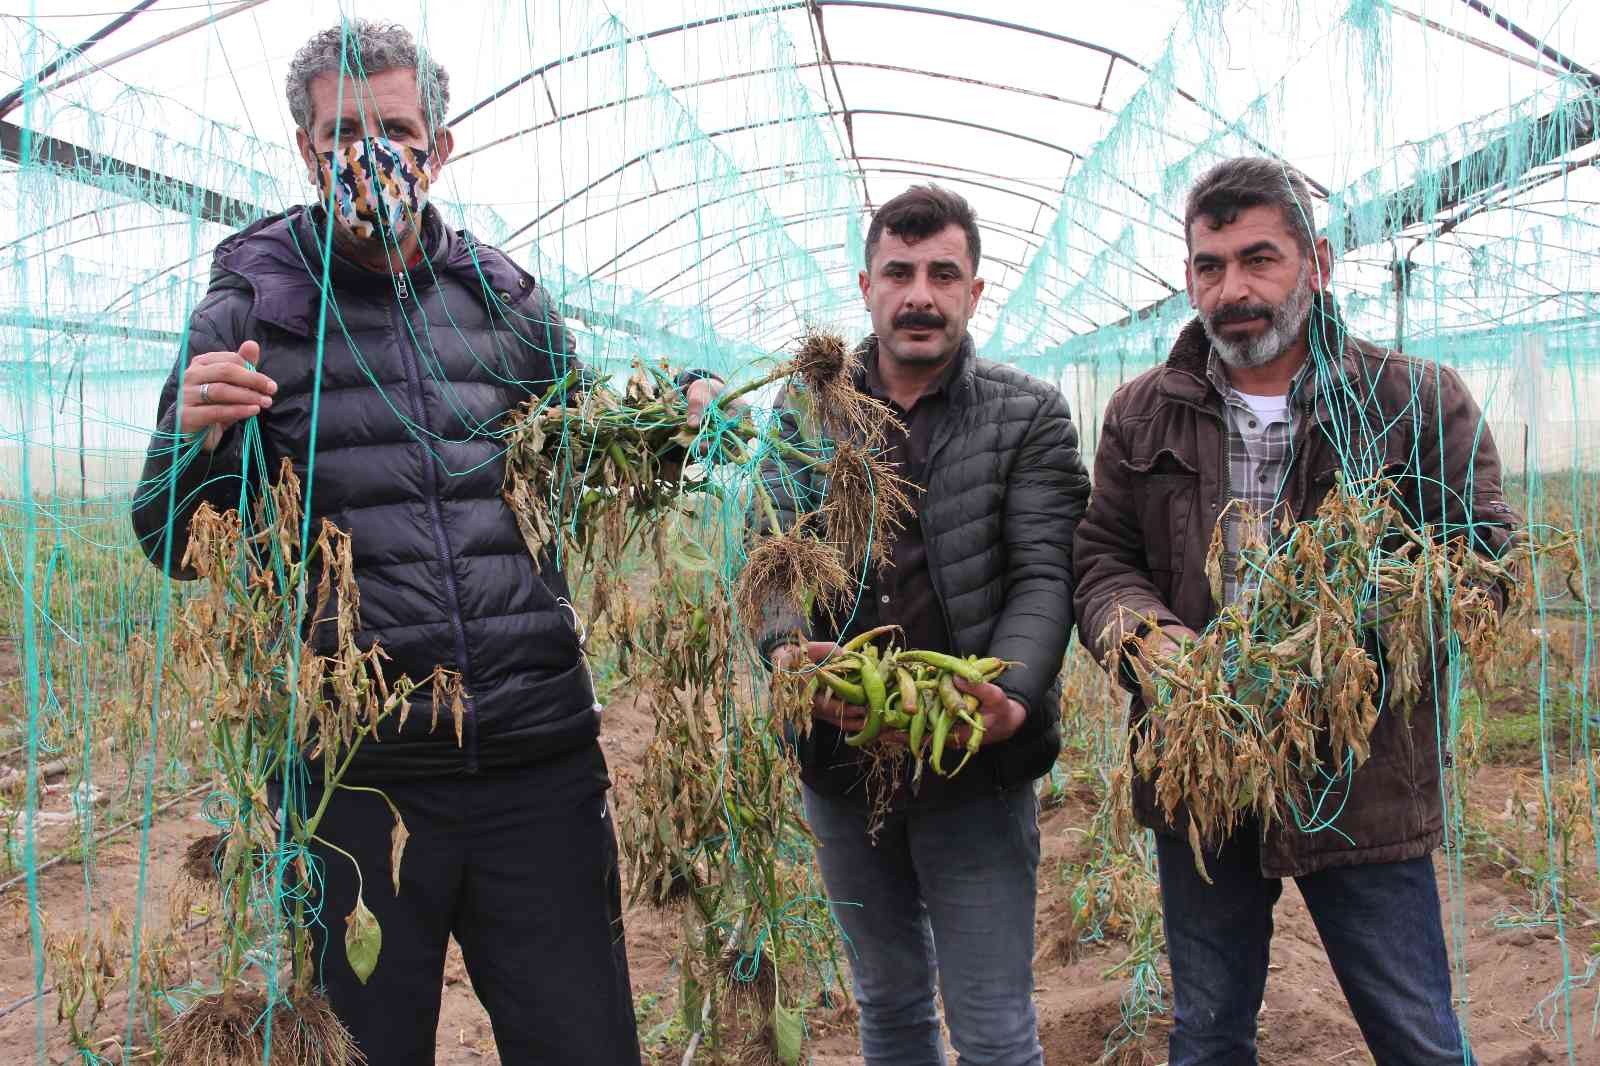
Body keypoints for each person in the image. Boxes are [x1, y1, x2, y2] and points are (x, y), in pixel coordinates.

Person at [130, 20, 725, 1066]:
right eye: (342, 133)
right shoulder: (255, 302)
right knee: (366, 1046)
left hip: (535, 756)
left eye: (396, 129)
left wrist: (672, 415)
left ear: (439, 146)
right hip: (359, 778)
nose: (371, 154)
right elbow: (170, 537)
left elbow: (580, 464)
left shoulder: (506, 300)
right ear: (306, 149)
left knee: (582, 1041)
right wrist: (197, 443)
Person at [1073, 156, 1519, 1066]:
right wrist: (1149, 640)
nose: (1232, 288)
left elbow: (1485, 559)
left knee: (1417, 1036)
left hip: (1361, 775)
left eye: (1259, 259)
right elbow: (1101, 561)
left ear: (1316, 262)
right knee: (1206, 1034)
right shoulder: (1141, 414)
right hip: (1202, 774)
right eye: (1209, 265)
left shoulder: (1413, 401)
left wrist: (1346, 638)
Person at [759, 184, 1090, 1065]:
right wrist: (789, 649)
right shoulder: (806, 412)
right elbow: (772, 558)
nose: (920, 294)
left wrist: (1011, 695)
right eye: (899, 273)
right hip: (842, 764)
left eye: (944, 274)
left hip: (975, 768)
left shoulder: (1027, 415)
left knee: (992, 1026)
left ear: (975, 292)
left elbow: (1044, 575)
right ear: (865, 285)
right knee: (891, 1004)